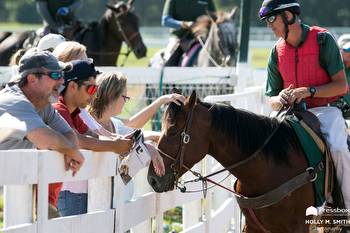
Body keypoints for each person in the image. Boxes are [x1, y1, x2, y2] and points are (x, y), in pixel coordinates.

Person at [259, 0, 350, 208]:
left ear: (289, 16)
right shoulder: (276, 52)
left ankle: (347, 209)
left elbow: (341, 86)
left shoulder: (322, 40)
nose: (269, 25)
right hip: (288, 115)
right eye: (266, 20)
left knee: (338, 148)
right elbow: (271, 98)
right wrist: (279, 98)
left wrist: (310, 91)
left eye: (271, 18)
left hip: (325, 113)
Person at [0, 50, 85, 218]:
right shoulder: (14, 101)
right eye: (55, 74)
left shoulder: (42, 104)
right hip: (7, 201)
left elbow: (68, 133)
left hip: (16, 197)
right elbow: (43, 137)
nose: (61, 80)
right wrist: (71, 150)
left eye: (61, 75)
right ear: (32, 79)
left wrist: (68, 148)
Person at [51, 59, 136, 216]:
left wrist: (118, 141)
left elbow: (92, 135)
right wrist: (114, 145)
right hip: (67, 193)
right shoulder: (58, 110)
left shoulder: (74, 113)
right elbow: (77, 140)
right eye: (90, 89)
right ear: (72, 87)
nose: (93, 95)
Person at [161, 0, 216, 66]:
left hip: (202, 37)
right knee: (168, 60)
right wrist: (183, 24)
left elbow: (215, 18)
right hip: (179, 37)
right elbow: (165, 20)